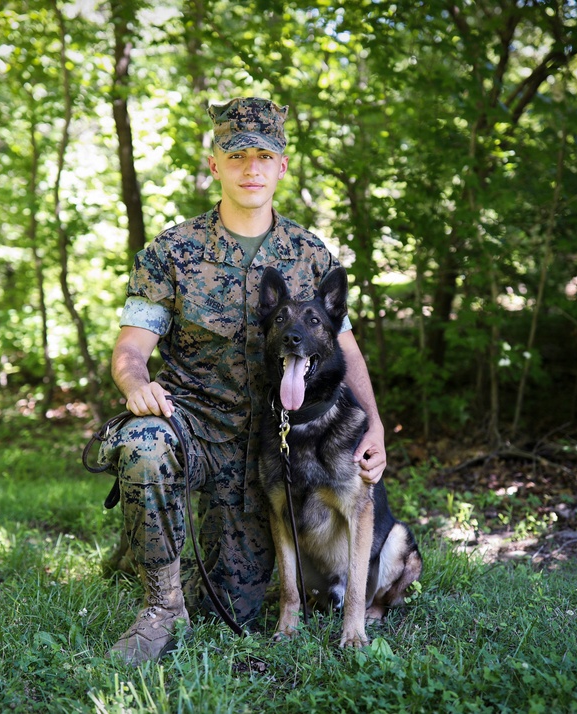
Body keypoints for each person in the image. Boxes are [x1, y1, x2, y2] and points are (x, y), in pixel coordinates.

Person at [102, 97, 386, 665]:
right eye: (237, 156)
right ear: (215, 165)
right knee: (142, 441)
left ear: (282, 166)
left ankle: (146, 549)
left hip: (282, 449)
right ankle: (160, 605)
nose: (251, 168)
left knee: (234, 605)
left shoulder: (310, 253)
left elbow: (345, 346)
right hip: (201, 428)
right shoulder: (173, 251)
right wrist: (134, 384)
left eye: (264, 156)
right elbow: (132, 347)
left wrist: (374, 428)